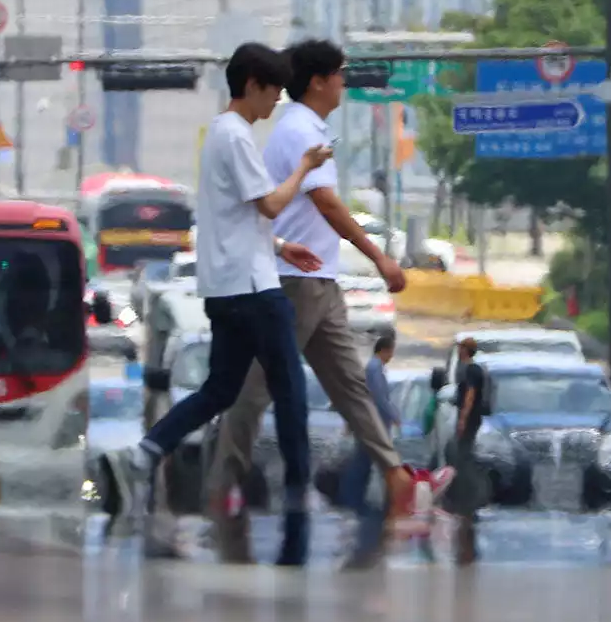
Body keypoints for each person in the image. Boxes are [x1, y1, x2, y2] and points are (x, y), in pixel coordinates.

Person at [212, 38, 448, 563]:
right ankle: (222, 488)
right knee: (254, 390)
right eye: (340, 73)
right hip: (293, 281)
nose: (345, 81)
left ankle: (395, 477)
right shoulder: (298, 128)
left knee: (353, 383)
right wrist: (380, 257)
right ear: (317, 81)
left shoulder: (308, 127)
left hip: (318, 282)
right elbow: (325, 202)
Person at [98, 43, 330, 565]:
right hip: (253, 291)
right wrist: (305, 166)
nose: (275, 103)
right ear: (252, 84)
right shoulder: (234, 135)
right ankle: (299, 492)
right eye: (272, 92)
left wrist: (277, 244)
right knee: (289, 388)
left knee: (221, 388)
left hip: (226, 287)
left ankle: (144, 453)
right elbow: (271, 202)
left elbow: (236, 218)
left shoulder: (219, 137)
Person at [338, 335, 401, 569]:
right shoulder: (375, 368)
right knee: (365, 462)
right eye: (391, 352)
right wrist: (394, 416)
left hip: (371, 423)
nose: (392, 356)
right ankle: (357, 500)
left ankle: (361, 500)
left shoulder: (374, 368)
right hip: (373, 424)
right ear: (384, 350)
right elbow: (378, 397)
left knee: (366, 462)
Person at [441, 338, 489, 565]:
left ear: (466, 351)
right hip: (473, 419)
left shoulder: (471, 370)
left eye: (460, 349)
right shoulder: (474, 369)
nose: (458, 352)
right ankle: (466, 496)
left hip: (469, 420)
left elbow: (469, 395)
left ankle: (467, 497)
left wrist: (462, 418)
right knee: (463, 455)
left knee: (463, 456)